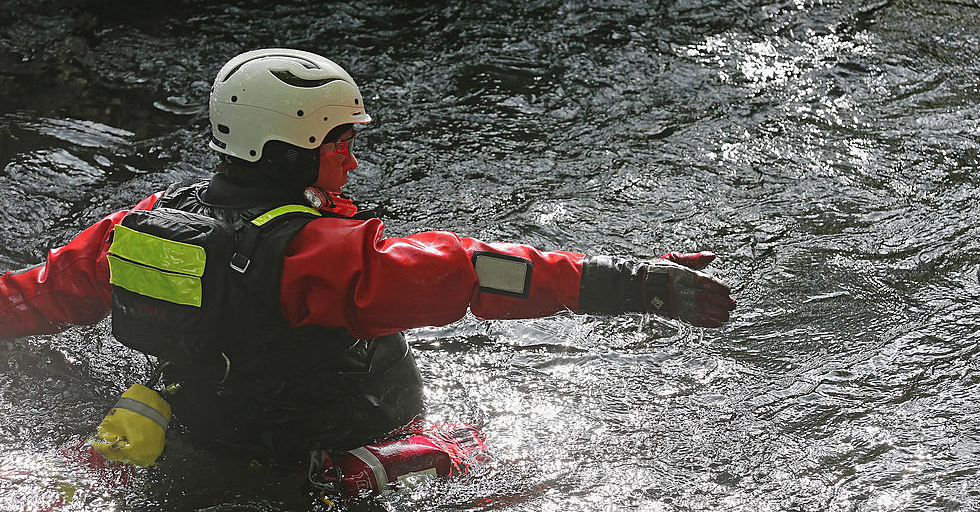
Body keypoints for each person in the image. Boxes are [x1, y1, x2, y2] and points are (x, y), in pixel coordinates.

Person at [0, 48, 735, 498]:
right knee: (489, 448)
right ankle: (375, 470)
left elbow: (33, 297)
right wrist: (636, 282)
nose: (351, 159)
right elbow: (481, 274)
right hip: (321, 451)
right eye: (340, 141)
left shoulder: (138, 226)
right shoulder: (324, 257)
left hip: (206, 432)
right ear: (292, 149)